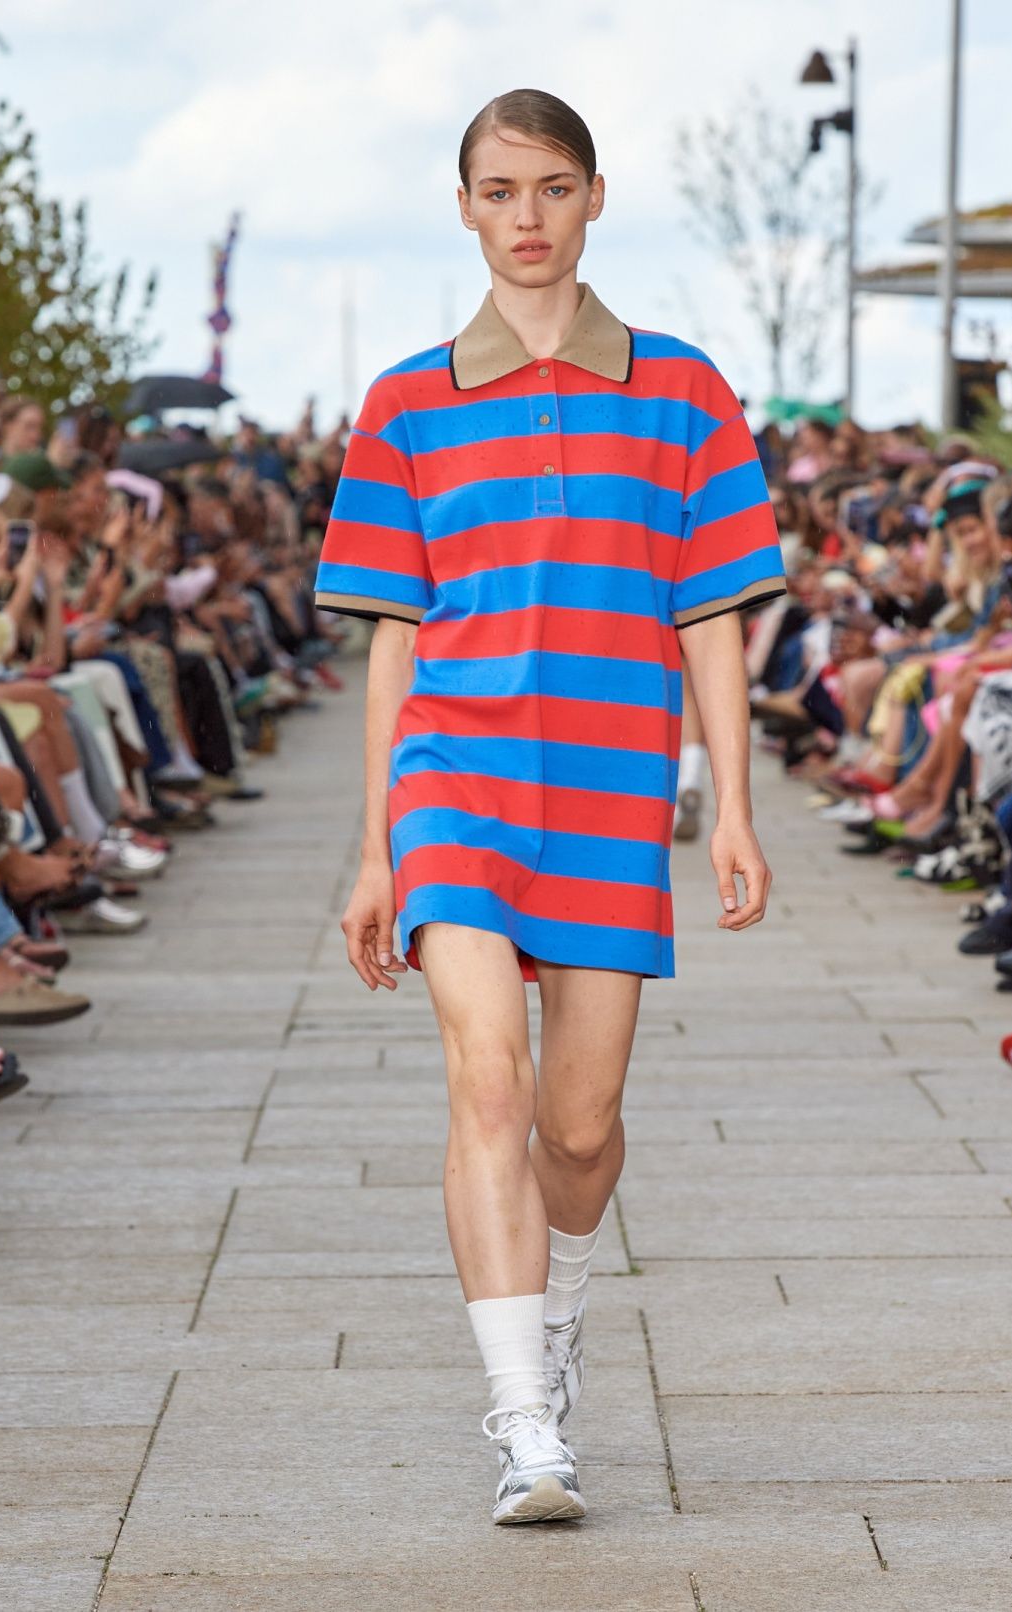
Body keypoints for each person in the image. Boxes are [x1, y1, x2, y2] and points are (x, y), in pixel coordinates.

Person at [314, 87, 782, 1526]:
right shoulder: (406, 401)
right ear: (463, 207)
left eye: (553, 188)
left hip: (612, 790)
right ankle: (527, 1423)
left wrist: (731, 808)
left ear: (594, 199)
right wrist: (375, 847)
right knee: (489, 1089)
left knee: (580, 1128)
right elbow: (392, 637)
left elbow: (712, 619)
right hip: (455, 782)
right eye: (500, 190)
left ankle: (561, 1309)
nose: (527, 217)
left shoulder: (685, 391)